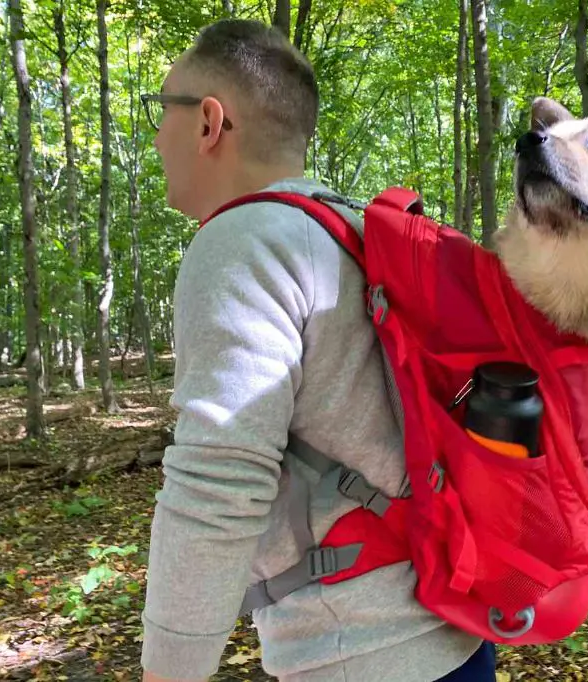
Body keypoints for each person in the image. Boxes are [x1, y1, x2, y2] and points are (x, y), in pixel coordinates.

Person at [139, 19, 489, 682]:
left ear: (209, 123)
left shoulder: (239, 245)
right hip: (452, 631)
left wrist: (168, 670)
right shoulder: (353, 233)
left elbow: (217, 487)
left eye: (163, 111)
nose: (157, 137)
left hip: (359, 654)